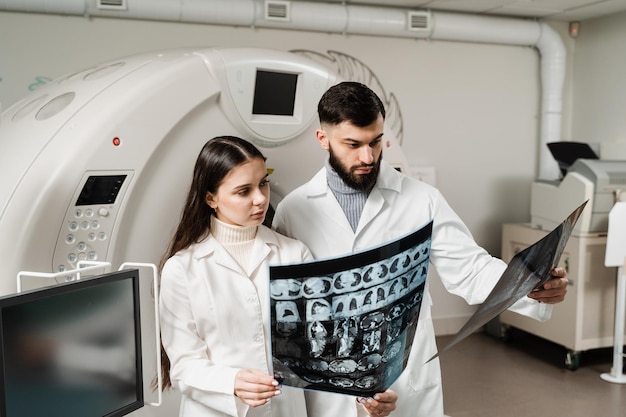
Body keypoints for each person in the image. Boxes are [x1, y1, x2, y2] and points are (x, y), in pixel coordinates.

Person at [272, 81, 569, 417]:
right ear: (323, 139)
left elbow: (469, 268)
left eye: (376, 142)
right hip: (329, 383)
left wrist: (532, 284)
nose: (367, 156)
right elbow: (287, 308)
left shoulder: (421, 199)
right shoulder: (293, 210)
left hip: (402, 377)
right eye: (352, 144)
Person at [158, 136, 313, 417]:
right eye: (244, 191)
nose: (261, 198)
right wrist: (232, 382)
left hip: (284, 409)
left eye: (263, 183)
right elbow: (183, 365)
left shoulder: (294, 255)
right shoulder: (182, 269)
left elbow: (316, 344)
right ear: (211, 198)